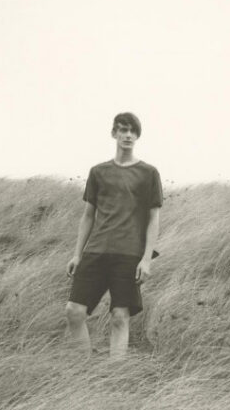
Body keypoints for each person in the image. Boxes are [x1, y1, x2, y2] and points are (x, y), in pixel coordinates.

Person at [65, 112, 162, 360]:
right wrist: (77, 254)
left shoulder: (149, 173)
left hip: (128, 254)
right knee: (74, 311)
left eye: (132, 131)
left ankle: (115, 375)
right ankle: (84, 369)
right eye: (123, 130)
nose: (128, 135)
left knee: (120, 317)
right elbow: (88, 215)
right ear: (114, 133)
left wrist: (146, 260)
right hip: (96, 251)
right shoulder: (98, 172)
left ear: (137, 136)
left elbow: (153, 218)